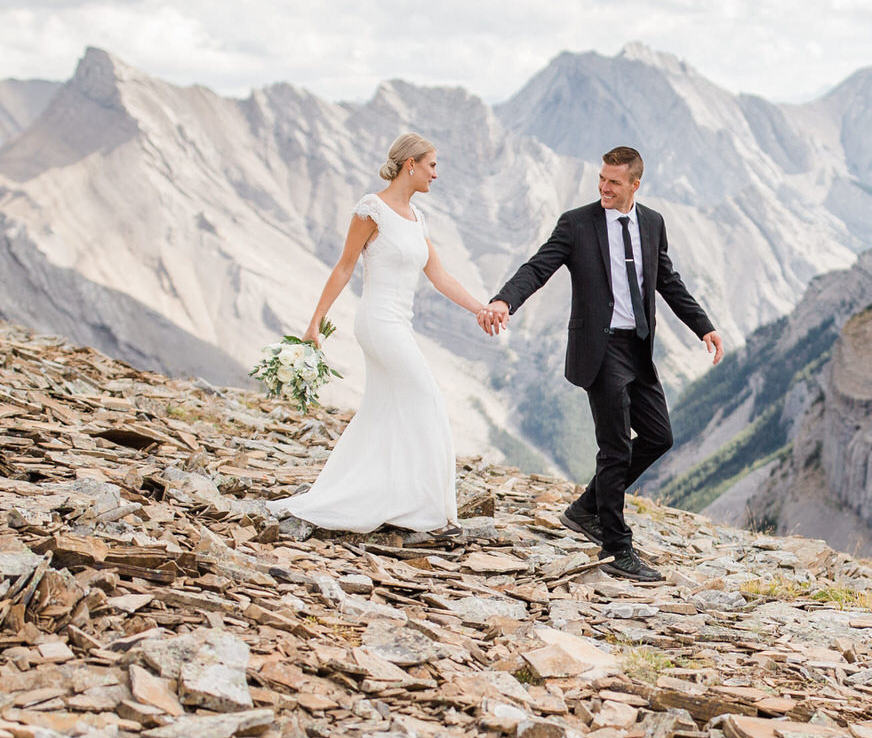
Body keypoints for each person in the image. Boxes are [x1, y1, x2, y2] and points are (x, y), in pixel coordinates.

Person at [484, 145, 723, 582]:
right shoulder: (577, 223)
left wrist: (702, 326)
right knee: (614, 447)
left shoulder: (652, 222)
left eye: (614, 182)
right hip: (600, 348)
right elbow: (538, 267)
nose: (603, 188)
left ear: (635, 184)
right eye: (601, 179)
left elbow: (667, 280)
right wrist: (505, 300)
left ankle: (585, 507)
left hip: (638, 347)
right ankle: (616, 547)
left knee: (658, 436)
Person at [269, 133, 492, 534]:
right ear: (411, 164)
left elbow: (438, 275)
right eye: (432, 165)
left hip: (399, 323)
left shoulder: (416, 217)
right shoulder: (372, 209)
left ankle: (380, 495)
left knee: (385, 411)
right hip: (377, 321)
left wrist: (480, 308)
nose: (436, 174)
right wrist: (314, 322)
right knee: (426, 401)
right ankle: (424, 511)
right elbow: (344, 266)